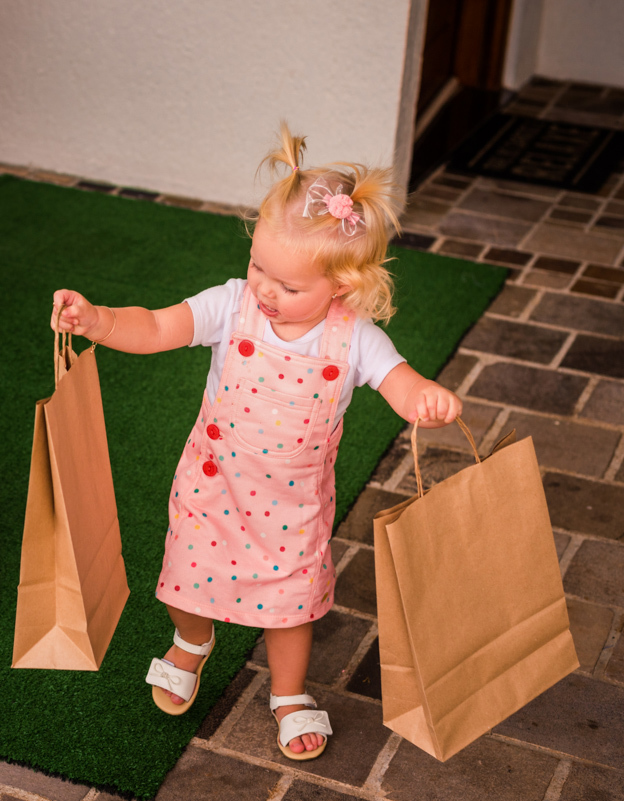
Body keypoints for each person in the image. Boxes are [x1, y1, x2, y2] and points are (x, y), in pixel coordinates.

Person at [50, 124, 461, 761]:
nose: (266, 289)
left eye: (289, 286)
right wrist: (101, 321)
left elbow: (397, 380)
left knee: (288, 609)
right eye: (258, 267)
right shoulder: (232, 305)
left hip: (293, 509)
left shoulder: (354, 338)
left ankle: (289, 694)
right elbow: (159, 326)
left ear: (343, 288)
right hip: (213, 487)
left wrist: (424, 398)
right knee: (185, 583)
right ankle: (193, 642)